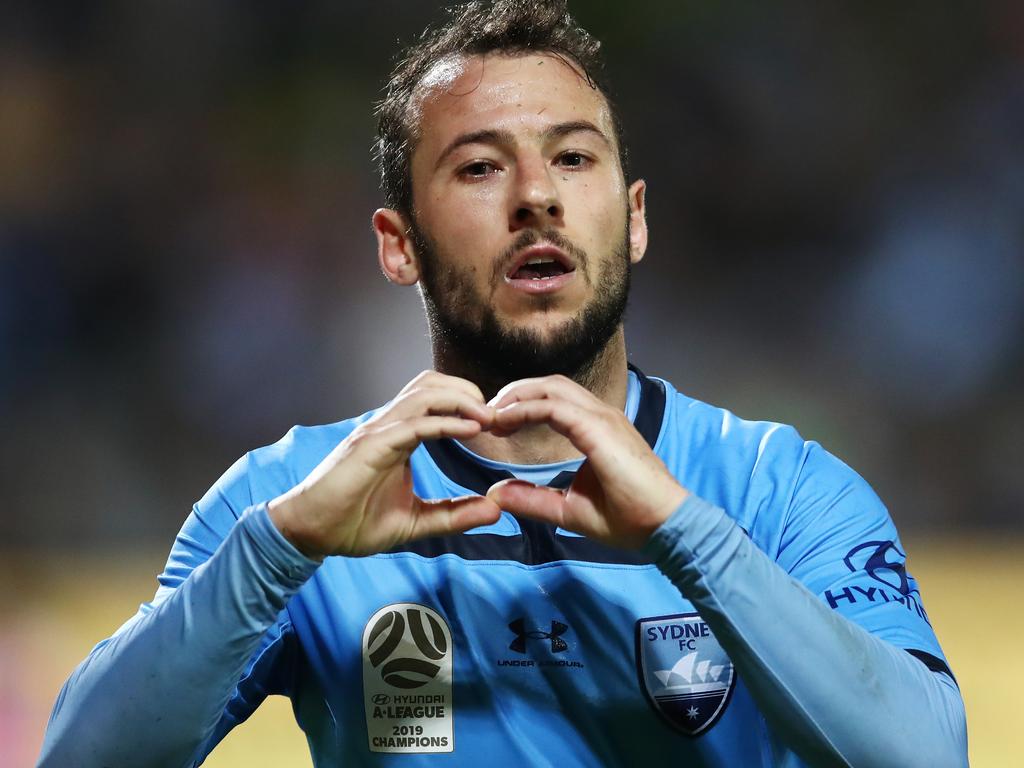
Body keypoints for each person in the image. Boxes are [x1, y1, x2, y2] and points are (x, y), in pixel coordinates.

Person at [40, 1, 968, 766]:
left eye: (572, 157)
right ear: (399, 245)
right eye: (481, 166)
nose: (537, 195)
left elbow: (928, 757)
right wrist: (279, 553)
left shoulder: (778, 490)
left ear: (633, 218)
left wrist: (690, 540)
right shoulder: (295, 501)